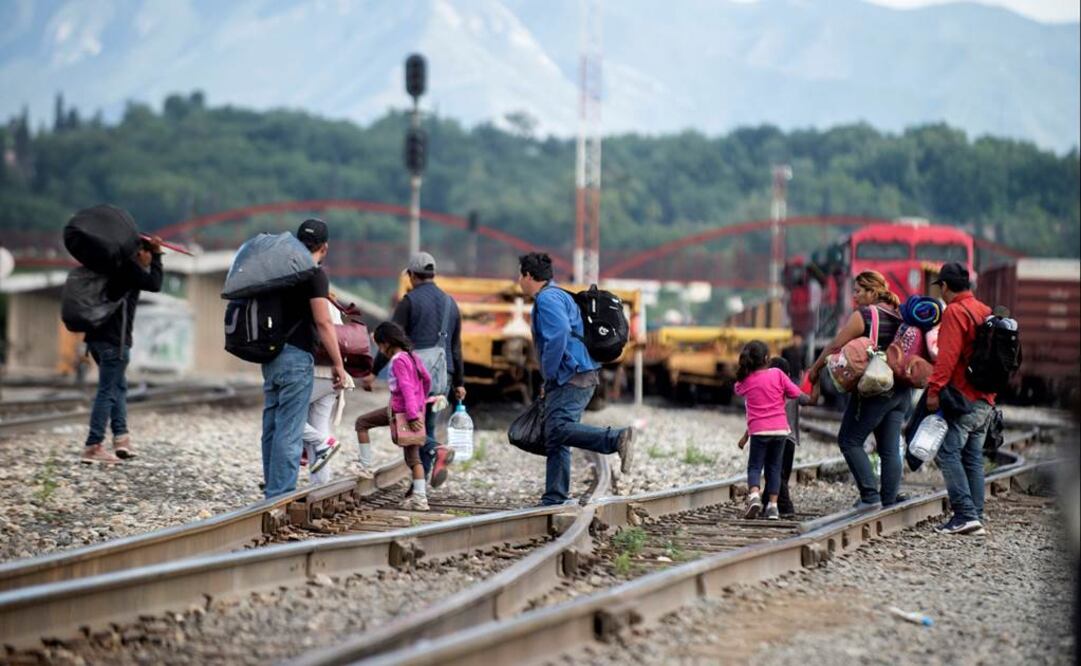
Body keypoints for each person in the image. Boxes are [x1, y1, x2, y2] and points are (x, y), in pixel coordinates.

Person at [517, 252, 634, 506]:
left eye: (520, 275)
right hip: (580, 371)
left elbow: (558, 333)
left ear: (528, 275)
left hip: (571, 374)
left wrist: (549, 374)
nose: (519, 281)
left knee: (558, 429)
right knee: (557, 434)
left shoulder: (547, 299)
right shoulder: (558, 295)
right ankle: (554, 497)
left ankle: (615, 438)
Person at [806, 270, 910, 509]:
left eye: (858, 291)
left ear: (872, 292)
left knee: (849, 440)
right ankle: (889, 499)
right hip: (901, 391)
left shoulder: (865, 315)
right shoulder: (900, 314)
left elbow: (835, 345)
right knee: (889, 448)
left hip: (875, 388)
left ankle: (870, 496)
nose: (854, 296)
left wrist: (815, 369)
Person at [259, 219, 346, 499]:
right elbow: (323, 322)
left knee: (272, 427)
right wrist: (338, 363)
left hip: (271, 356)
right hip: (297, 357)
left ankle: (272, 489)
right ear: (325, 247)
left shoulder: (278, 270)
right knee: (290, 428)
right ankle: (281, 494)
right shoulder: (314, 274)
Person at [368, 252, 463, 488]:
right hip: (442, 376)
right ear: (433, 274)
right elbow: (456, 347)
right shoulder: (451, 303)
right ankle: (420, 485)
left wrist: (373, 371)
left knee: (407, 424)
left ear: (411, 275)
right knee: (427, 424)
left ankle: (435, 452)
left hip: (414, 375)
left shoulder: (409, 301)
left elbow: (390, 340)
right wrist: (459, 383)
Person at [81, 231, 165, 464]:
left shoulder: (105, 267)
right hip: (114, 341)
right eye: (146, 251)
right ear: (139, 252)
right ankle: (93, 446)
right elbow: (155, 284)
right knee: (108, 391)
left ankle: (121, 439)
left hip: (95, 339)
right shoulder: (129, 270)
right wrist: (157, 258)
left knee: (118, 386)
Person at [927, 262, 996, 536]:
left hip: (964, 398)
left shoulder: (955, 312)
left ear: (944, 286)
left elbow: (947, 358)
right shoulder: (984, 310)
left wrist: (934, 391)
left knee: (947, 452)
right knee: (972, 456)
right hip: (986, 398)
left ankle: (965, 514)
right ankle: (975, 514)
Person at [356, 322, 432, 510]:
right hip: (414, 411)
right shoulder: (412, 356)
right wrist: (420, 404)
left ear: (387, 343)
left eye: (380, 345)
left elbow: (406, 388)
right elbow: (427, 379)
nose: (380, 350)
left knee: (362, 423)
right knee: (413, 458)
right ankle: (420, 498)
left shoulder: (398, 360)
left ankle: (365, 466)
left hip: (401, 412)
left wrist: (412, 415)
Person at [734, 341, 808, 520]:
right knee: (774, 468)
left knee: (755, 466)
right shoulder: (778, 374)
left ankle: (754, 496)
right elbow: (795, 393)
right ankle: (773, 507)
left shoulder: (747, 380)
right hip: (780, 430)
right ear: (766, 358)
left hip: (758, 431)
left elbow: (737, 389)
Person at [302, 296, 353, 483]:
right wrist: (339, 365)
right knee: (320, 428)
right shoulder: (333, 303)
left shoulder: (314, 300)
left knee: (284, 415)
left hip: (315, 372)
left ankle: (324, 442)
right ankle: (319, 487)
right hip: (333, 377)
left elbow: (323, 327)